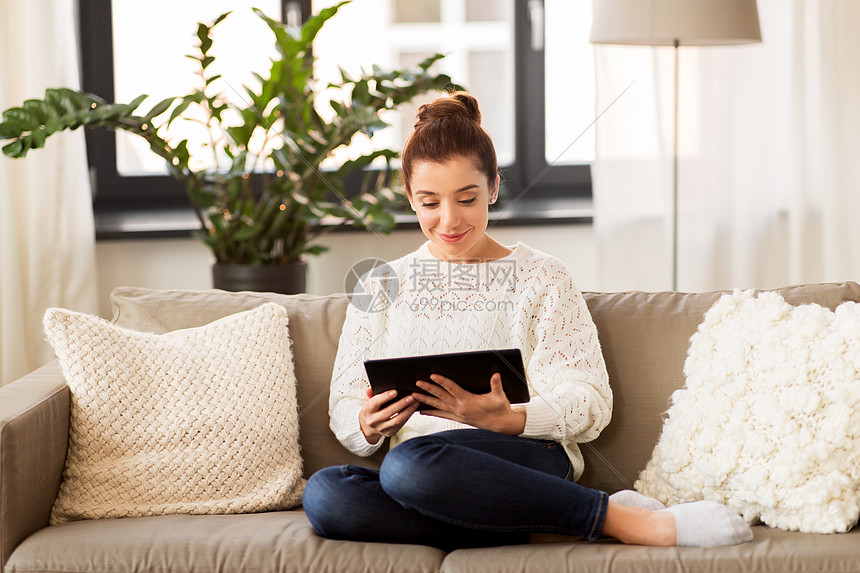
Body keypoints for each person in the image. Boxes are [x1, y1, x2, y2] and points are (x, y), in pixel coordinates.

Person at [302, 91, 752, 550]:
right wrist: (367, 423)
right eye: (430, 202)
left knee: (408, 463)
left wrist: (511, 419)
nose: (449, 219)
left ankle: (619, 521)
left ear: (493, 187)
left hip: (522, 457)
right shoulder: (380, 285)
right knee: (327, 494)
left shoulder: (543, 276)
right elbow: (342, 406)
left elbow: (589, 401)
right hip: (427, 478)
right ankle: (546, 520)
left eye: (467, 198)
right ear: (410, 198)